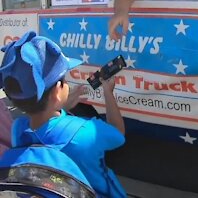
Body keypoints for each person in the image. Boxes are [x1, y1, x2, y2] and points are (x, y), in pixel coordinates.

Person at [0, 31, 127, 198]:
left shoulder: (18, 129)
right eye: (64, 79)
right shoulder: (86, 133)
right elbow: (118, 133)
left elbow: (44, 133)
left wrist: (61, 106)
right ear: (57, 91)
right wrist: (108, 93)